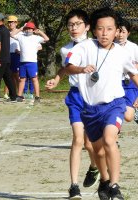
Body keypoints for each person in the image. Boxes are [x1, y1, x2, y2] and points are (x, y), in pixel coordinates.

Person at [64, 7, 138, 200]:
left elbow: (133, 74)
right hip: (90, 109)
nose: (105, 33)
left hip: (114, 104)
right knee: (97, 150)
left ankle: (114, 186)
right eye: (100, 28)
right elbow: (68, 67)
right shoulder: (84, 47)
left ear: (116, 31)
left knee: (109, 140)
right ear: (94, 30)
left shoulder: (122, 53)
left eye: (110, 29)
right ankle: (104, 181)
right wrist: (81, 69)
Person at [46, 9, 99, 199]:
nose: (74, 28)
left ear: (87, 26)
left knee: (90, 143)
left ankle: (94, 167)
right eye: (70, 24)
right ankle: (74, 186)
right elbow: (65, 68)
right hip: (76, 97)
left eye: (77, 24)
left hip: (94, 97)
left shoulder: (96, 46)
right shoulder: (65, 49)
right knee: (78, 140)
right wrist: (56, 79)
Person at [11, 21, 49, 103]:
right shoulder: (21, 36)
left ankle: (37, 96)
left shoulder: (36, 37)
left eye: (30, 29)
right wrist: (21, 28)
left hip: (32, 62)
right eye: (27, 29)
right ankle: (20, 96)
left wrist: (40, 32)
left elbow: (47, 39)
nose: (28, 30)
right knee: (22, 79)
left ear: (33, 30)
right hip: (22, 62)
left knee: (34, 79)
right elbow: (12, 34)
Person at [115, 17, 138, 124]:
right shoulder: (110, 46)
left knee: (128, 117)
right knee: (114, 113)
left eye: (123, 32)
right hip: (114, 84)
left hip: (130, 84)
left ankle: (135, 110)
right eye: (118, 31)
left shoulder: (134, 48)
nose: (120, 35)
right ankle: (114, 136)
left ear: (128, 33)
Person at [0, 12, 17, 103]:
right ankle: (13, 96)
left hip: (1, 58)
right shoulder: (6, 30)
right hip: (7, 57)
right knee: (7, 77)